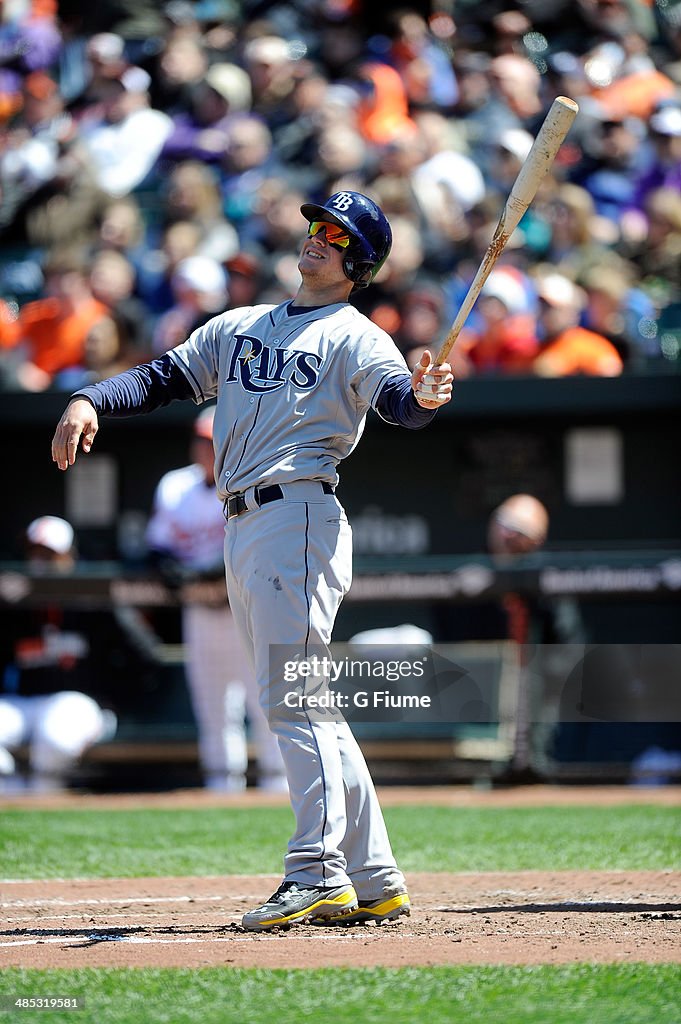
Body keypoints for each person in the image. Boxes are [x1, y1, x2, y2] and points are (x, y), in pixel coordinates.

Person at [51, 189, 453, 931]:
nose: (316, 237)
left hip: (295, 509)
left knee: (294, 701)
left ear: (357, 259)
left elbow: (400, 403)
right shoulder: (243, 325)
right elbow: (161, 378)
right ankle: (374, 877)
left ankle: (316, 873)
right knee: (311, 704)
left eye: (334, 234)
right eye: (315, 225)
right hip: (245, 522)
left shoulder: (355, 335)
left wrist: (425, 396)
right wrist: (91, 399)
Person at [146, 406, 286, 792]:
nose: (206, 449)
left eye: (214, 441)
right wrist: (168, 567)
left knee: (266, 708)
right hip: (200, 611)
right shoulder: (175, 486)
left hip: (246, 610)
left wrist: (203, 569)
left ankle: (278, 793)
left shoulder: (253, 480)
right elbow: (158, 546)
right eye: (201, 441)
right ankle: (221, 796)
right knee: (213, 712)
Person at [0, 516, 117, 793]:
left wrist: (110, 704)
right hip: (21, 701)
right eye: (34, 553)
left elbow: (137, 657)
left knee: (54, 740)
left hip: (74, 700)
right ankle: (14, 803)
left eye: (49, 554)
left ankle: (42, 802)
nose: (40, 562)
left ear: (68, 557)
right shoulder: (12, 605)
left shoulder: (92, 601)